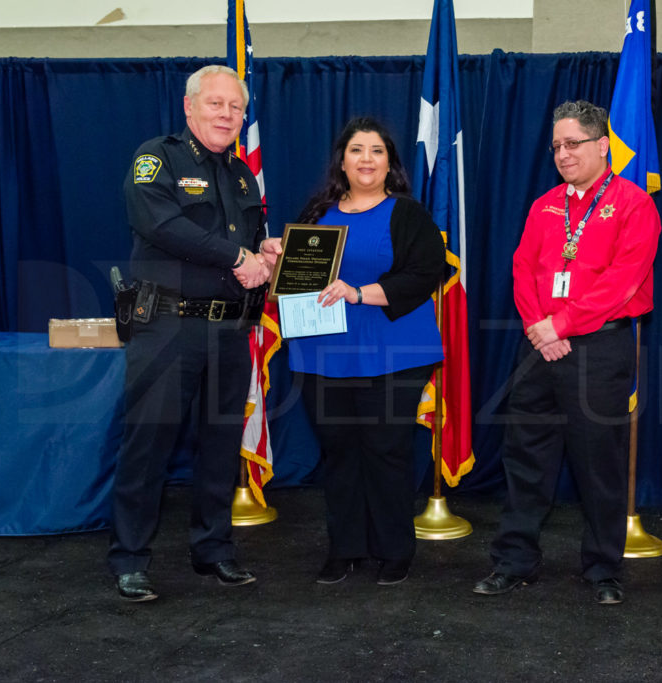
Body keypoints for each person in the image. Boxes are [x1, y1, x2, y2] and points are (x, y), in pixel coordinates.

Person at [473, 100, 661, 605]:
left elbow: (623, 282)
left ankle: (603, 570)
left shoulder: (633, 204)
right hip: (538, 345)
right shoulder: (545, 205)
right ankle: (514, 561)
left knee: (598, 462)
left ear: (603, 146)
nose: (562, 153)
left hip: (599, 347)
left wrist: (561, 323)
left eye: (572, 143)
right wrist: (540, 327)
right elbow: (523, 269)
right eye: (556, 145)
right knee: (525, 457)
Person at [108, 65, 282, 601]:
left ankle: (213, 549)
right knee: (148, 444)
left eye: (236, 107)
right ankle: (131, 558)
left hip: (229, 329)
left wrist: (269, 255)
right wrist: (238, 257)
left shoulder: (241, 175)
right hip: (167, 326)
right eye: (215, 104)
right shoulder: (156, 158)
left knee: (221, 444)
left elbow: (252, 242)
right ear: (189, 107)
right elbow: (159, 224)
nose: (227, 115)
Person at [289, 117, 444, 586]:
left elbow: (425, 274)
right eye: (357, 150)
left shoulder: (407, 214)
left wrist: (358, 292)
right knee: (337, 452)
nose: (366, 160)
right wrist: (280, 258)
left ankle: (393, 550)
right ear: (342, 160)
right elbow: (301, 276)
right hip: (323, 354)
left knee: (386, 451)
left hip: (392, 353)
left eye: (376, 151)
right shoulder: (317, 214)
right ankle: (346, 548)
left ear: (389, 162)